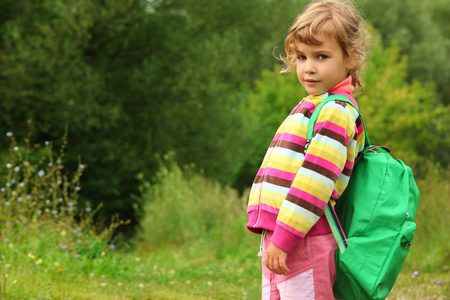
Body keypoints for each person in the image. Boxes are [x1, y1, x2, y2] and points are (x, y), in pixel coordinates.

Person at [246, 1, 369, 299]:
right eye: (301, 56)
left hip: (303, 238)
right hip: (284, 236)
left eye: (321, 56)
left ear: (350, 57)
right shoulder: (313, 105)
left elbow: (314, 183)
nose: (308, 67)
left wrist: (285, 238)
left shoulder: (335, 111)